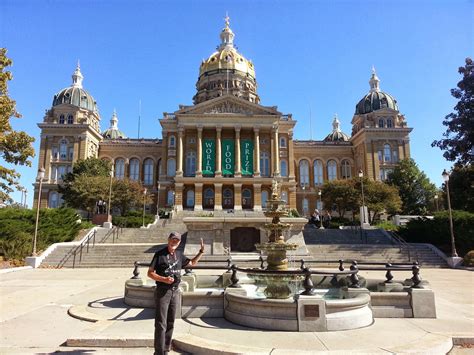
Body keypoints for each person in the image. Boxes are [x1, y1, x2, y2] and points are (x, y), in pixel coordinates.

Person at [147, 232, 204, 354]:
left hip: (175, 292)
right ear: (168, 240)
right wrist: (164, 279)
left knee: (171, 322)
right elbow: (150, 273)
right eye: (173, 239)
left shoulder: (179, 254)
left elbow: (192, 263)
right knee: (161, 324)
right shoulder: (159, 254)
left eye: (177, 240)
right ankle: (158, 352)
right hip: (163, 292)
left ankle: (166, 348)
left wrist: (201, 252)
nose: (175, 242)